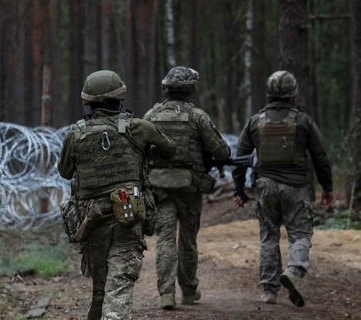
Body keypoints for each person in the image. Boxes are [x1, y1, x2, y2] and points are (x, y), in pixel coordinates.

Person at [58, 70, 176, 320]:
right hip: (128, 212)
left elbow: (65, 171)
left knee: (101, 281)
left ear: (88, 101)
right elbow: (170, 149)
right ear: (119, 98)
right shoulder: (137, 127)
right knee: (120, 282)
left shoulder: (75, 133)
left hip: (91, 217)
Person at [232, 70, 334, 307]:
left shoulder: (255, 121)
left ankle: (269, 290)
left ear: (269, 93)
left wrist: (239, 190)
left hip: (265, 187)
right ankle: (294, 271)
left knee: (268, 237)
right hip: (296, 187)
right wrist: (327, 188)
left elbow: (240, 158)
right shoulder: (303, 121)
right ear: (293, 94)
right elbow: (320, 157)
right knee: (301, 234)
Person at [143, 66, 230, 310]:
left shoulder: (151, 115)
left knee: (165, 240)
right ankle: (189, 292)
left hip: (159, 189)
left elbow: (139, 149)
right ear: (191, 89)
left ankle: (166, 293)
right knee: (188, 241)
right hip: (189, 188)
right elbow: (222, 151)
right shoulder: (198, 116)